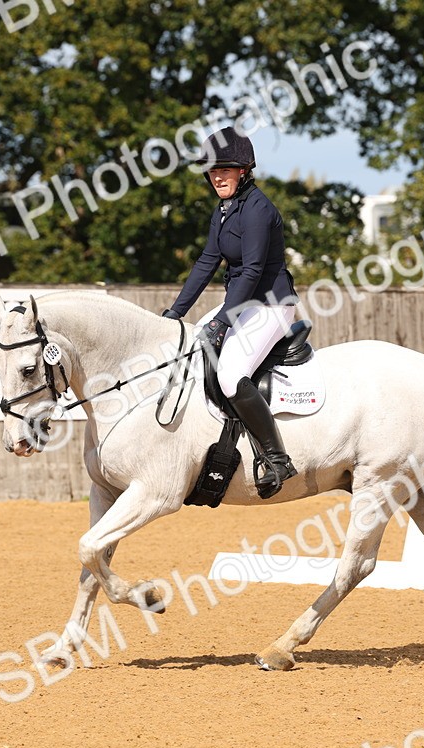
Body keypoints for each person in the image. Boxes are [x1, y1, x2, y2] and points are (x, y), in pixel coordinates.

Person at [161, 127, 300, 499]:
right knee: (191, 349)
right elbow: (207, 261)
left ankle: (277, 459)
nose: (217, 177)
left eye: (225, 170)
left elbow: (252, 270)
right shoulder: (223, 210)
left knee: (231, 374)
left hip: (270, 304)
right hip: (242, 301)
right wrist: (175, 313)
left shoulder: (257, 210)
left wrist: (223, 321)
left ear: (244, 171)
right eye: (212, 171)